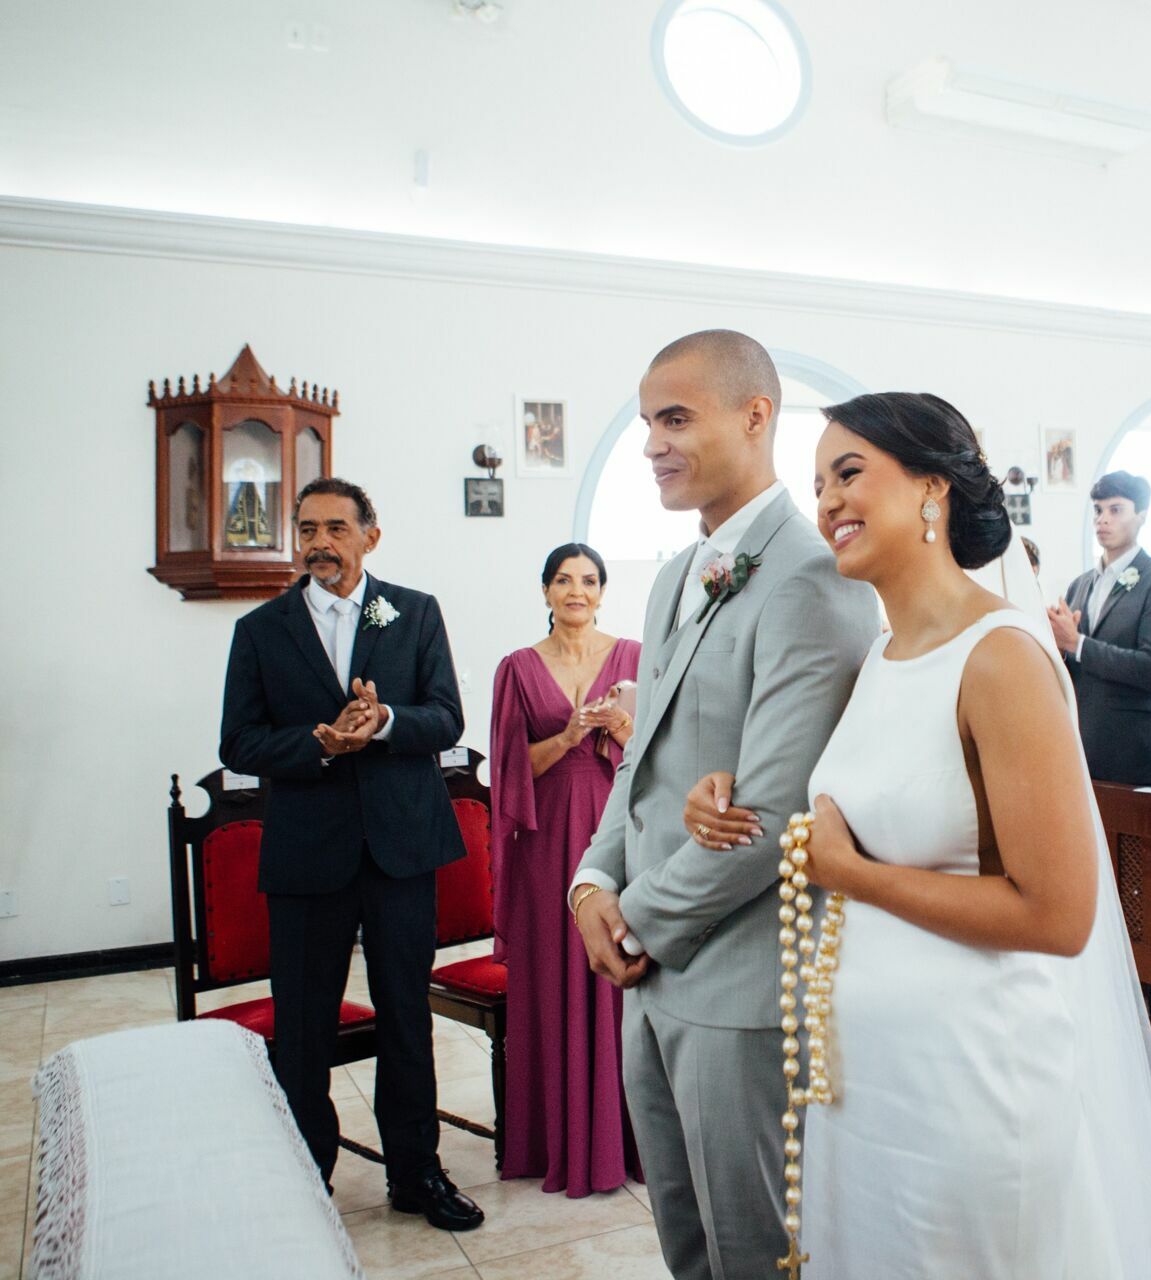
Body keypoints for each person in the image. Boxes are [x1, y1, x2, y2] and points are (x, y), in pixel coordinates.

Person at [685, 391, 1151, 1278]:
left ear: (933, 491)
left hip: (970, 1085)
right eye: (817, 486)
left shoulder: (1001, 657)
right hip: (870, 1083)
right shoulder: (883, 657)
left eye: (850, 474)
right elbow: (871, 798)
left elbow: (1057, 914)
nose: (828, 505)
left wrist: (855, 875)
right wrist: (723, 789)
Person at [568, 330, 878, 1279]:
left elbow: (776, 805)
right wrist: (591, 881)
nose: (653, 444)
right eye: (647, 422)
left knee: (754, 1248)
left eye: (675, 418)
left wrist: (639, 924)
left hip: (740, 976)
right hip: (654, 969)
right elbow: (643, 757)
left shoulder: (813, 575)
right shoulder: (672, 577)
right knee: (684, 1235)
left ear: (755, 417)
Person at [219, 478, 483, 1229]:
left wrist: (387, 721)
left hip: (401, 845)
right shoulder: (262, 629)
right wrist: (318, 743)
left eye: (336, 526)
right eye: (307, 528)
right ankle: (307, 1179)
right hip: (308, 853)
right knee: (304, 1028)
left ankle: (416, 1174)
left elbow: (446, 718)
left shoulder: (413, 612)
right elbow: (237, 742)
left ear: (371, 534)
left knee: (406, 1015)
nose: (319, 541)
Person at [488, 543, 642, 1197]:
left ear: (602, 591)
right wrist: (572, 735)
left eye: (587, 580)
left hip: (618, 829)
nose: (575, 590)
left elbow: (661, 746)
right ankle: (554, 1141)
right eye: (562, 580)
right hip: (547, 838)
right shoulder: (518, 669)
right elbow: (508, 771)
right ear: (545, 591)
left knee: (622, 971)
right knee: (555, 972)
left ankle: (627, 1140)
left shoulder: (635, 656)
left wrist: (622, 730)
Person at [1048, 470, 1151, 786]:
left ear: (1141, 516)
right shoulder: (1079, 586)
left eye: (1115, 510)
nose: (1102, 520)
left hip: (1137, 751)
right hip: (1085, 748)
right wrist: (1057, 650)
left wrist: (1078, 644)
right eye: (1098, 510)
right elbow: (1073, 670)